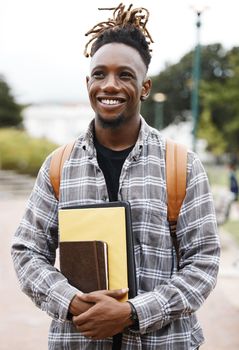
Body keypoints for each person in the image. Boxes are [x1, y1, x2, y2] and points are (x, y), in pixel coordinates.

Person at [12, 3, 220, 350]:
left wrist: (133, 313)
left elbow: (203, 263)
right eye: (99, 74)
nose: (110, 85)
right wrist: (70, 301)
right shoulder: (58, 165)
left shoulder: (181, 165)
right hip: (77, 341)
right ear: (88, 82)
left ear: (145, 87)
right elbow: (27, 251)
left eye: (125, 75)